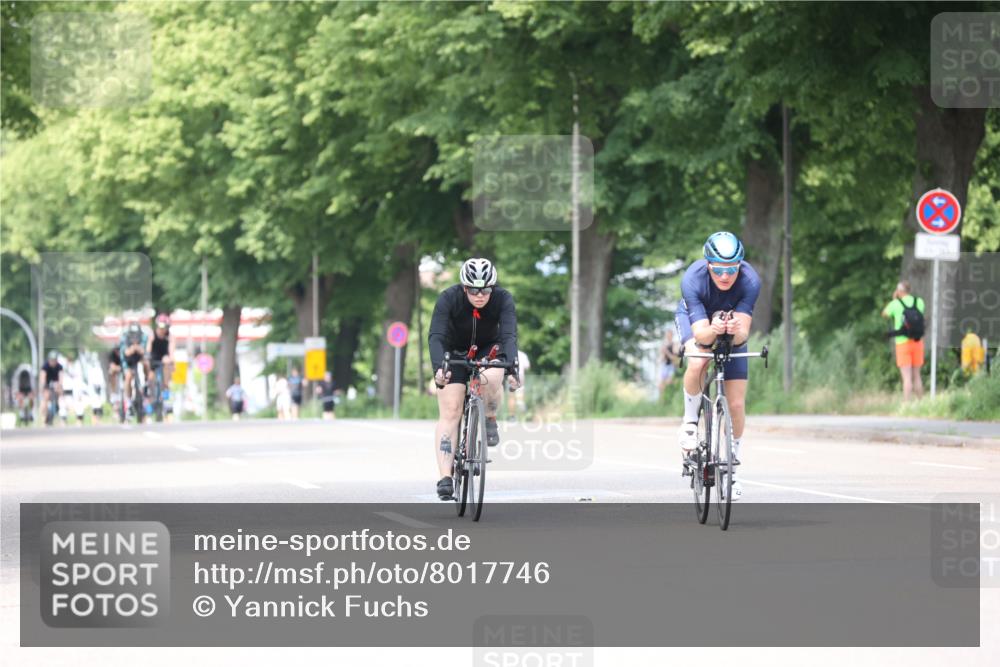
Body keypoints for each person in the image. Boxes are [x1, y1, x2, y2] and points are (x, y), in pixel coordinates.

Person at [675, 232, 761, 502]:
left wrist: (733, 332)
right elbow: (701, 336)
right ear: (708, 264)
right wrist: (713, 330)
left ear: (740, 265)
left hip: (729, 323)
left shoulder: (750, 281)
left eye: (732, 269)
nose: (726, 276)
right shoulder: (692, 279)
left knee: (735, 404)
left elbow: (743, 335)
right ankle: (690, 421)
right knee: (699, 359)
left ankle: (732, 466)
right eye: (719, 269)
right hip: (697, 320)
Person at [429, 257, 521, 500]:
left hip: (488, 348)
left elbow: (510, 335)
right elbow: (436, 336)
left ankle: (490, 416)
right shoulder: (448, 298)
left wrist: (514, 369)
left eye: (486, 290)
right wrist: (439, 368)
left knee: (491, 377)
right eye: (473, 290)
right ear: (463, 288)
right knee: (450, 410)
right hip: (453, 350)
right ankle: (445, 477)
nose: (480, 295)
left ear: (493, 287)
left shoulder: (503, 299)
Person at [881, 281, 925, 401]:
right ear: (909, 290)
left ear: (899, 291)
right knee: (917, 376)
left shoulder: (895, 303)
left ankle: (907, 406)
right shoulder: (919, 301)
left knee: (906, 377)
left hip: (902, 343)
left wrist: (894, 299)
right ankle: (921, 404)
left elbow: (884, 314)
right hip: (917, 342)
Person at [119, 321, 149, 420]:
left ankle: (146, 383)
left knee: (146, 364)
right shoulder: (124, 337)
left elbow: (144, 351)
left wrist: (137, 349)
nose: (135, 338)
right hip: (127, 362)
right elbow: (126, 352)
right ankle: (128, 401)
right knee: (128, 376)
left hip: (139, 360)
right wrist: (133, 348)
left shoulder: (144, 337)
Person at [148, 314, 175, 393]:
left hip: (164, 356)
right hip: (153, 357)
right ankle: (150, 392)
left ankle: (166, 387)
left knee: (167, 363)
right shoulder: (152, 335)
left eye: (164, 327)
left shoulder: (170, 336)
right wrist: (147, 355)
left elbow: (171, 349)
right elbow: (148, 348)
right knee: (150, 377)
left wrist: (172, 360)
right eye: (160, 327)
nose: (162, 330)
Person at [40, 351, 64, 426]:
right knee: (45, 397)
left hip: (56, 385)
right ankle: (44, 418)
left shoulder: (59, 366)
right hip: (47, 384)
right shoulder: (45, 366)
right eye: (51, 360)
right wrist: (43, 386)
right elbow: (42, 377)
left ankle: (62, 416)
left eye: (54, 360)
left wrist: (59, 385)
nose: (53, 362)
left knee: (60, 394)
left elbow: (61, 377)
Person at [658, 328, 682, 398]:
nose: (668, 336)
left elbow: (674, 358)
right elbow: (661, 358)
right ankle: (662, 399)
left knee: (669, 382)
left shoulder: (674, 345)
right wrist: (663, 354)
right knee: (661, 385)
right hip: (664, 366)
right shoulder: (663, 345)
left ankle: (670, 396)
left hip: (671, 366)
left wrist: (667, 352)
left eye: (670, 334)